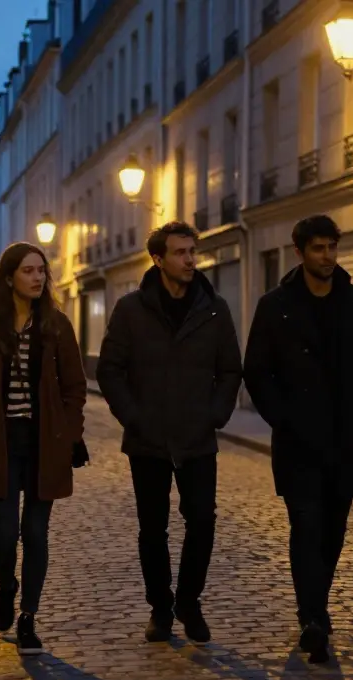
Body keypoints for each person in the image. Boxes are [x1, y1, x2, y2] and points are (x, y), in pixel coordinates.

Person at [243, 214, 353, 663]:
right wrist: (282, 418)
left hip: (346, 438)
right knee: (305, 525)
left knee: (334, 529)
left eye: (332, 248)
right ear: (300, 251)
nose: (327, 257)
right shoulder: (276, 305)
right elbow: (257, 370)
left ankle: (316, 609)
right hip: (299, 440)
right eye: (319, 249)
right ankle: (313, 617)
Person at [96, 221, 242, 645]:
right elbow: (110, 369)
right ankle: (160, 609)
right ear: (158, 259)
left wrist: (216, 413)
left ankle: (189, 602)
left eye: (192, 251)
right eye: (180, 252)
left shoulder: (214, 309)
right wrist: (133, 416)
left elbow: (231, 368)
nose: (190, 260)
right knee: (152, 528)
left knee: (202, 520)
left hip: (198, 436)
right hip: (148, 438)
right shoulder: (131, 309)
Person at [0, 242, 87, 656]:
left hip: (45, 444)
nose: (37, 277)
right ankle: (7, 585)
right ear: (9, 277)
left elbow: (75, 387)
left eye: (41, 271)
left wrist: (68, 430)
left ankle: (28, 616)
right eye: (28, 271)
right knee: (5, 535)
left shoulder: (58, 325)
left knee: (36, 533)